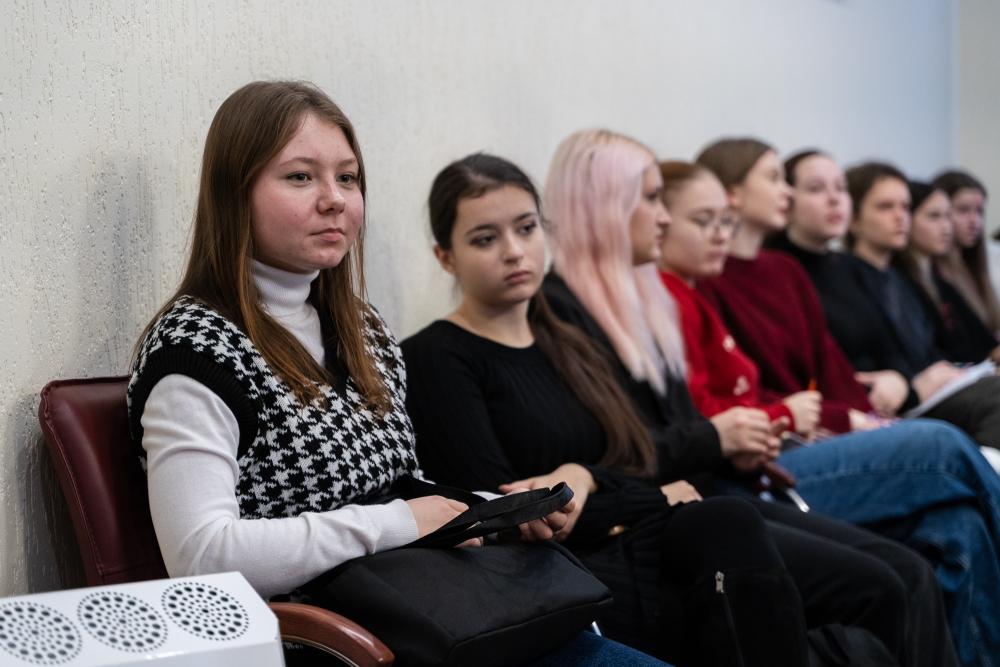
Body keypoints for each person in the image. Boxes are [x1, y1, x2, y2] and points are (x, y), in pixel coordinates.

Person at [125, 80, 667, 667]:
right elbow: (202, 556)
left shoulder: (361, 328)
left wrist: (490, 510)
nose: (334, 199)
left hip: (429, 611)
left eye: (348, 178)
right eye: (300, 177)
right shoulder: (195, 349)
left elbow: (396, 486)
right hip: (329, 642)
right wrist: (399, 522)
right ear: (234, 194)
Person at [537, 128, 962, 666]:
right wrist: (733, 434)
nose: (663, 218)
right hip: (682, 508)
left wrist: (740, 439)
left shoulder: (647, 299)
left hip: (722, 484)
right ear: (606, 206)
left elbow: (700, 416)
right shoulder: (568, 312)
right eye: (653, 201)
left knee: (928, 547)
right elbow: (633, 444)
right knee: (932, 470)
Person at [402, 152, 811, 666]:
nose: (514, 252)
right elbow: (506, 515)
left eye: (526, 229)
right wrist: (648, 499)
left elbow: (629, 453)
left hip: (625, 535)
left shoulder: (566, 337)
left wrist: (586, 476)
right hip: (559, 569)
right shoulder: (436, 357)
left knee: (782, 554)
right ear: (445, 257)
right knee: (727, 527)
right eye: (485, 239)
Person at [658, 158, 1000, 665]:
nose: (718, 233)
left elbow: (820, 371)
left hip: (794, 441)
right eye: (703, 220)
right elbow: (720, 412)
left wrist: (860, 415)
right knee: (943, 443)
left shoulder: (755, 276)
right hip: (763, 466)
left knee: (958, 525)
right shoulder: (689, 288)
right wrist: (812, 417)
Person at [895, 180, 997, 363]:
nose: (946, 227)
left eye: (948, 216)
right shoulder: (900, 282)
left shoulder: (939, 283)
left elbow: (985, 343)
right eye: (934, 216)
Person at [932, 169, 1000, 338]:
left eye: (979, 211)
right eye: (963, 210)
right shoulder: (933, 272)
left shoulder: (980, 263)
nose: (974, 221)